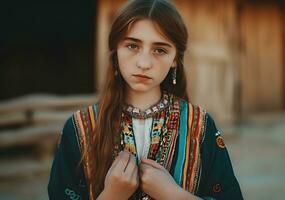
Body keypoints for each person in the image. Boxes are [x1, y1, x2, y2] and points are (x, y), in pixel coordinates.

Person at [48, 0, 243, 199]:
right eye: (132, 46)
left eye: (160, 50)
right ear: (116, 51)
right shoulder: (79, 128)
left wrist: (172, 194)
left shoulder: (200, 126)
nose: (143, 63)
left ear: (175, 58)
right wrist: (112, 195)